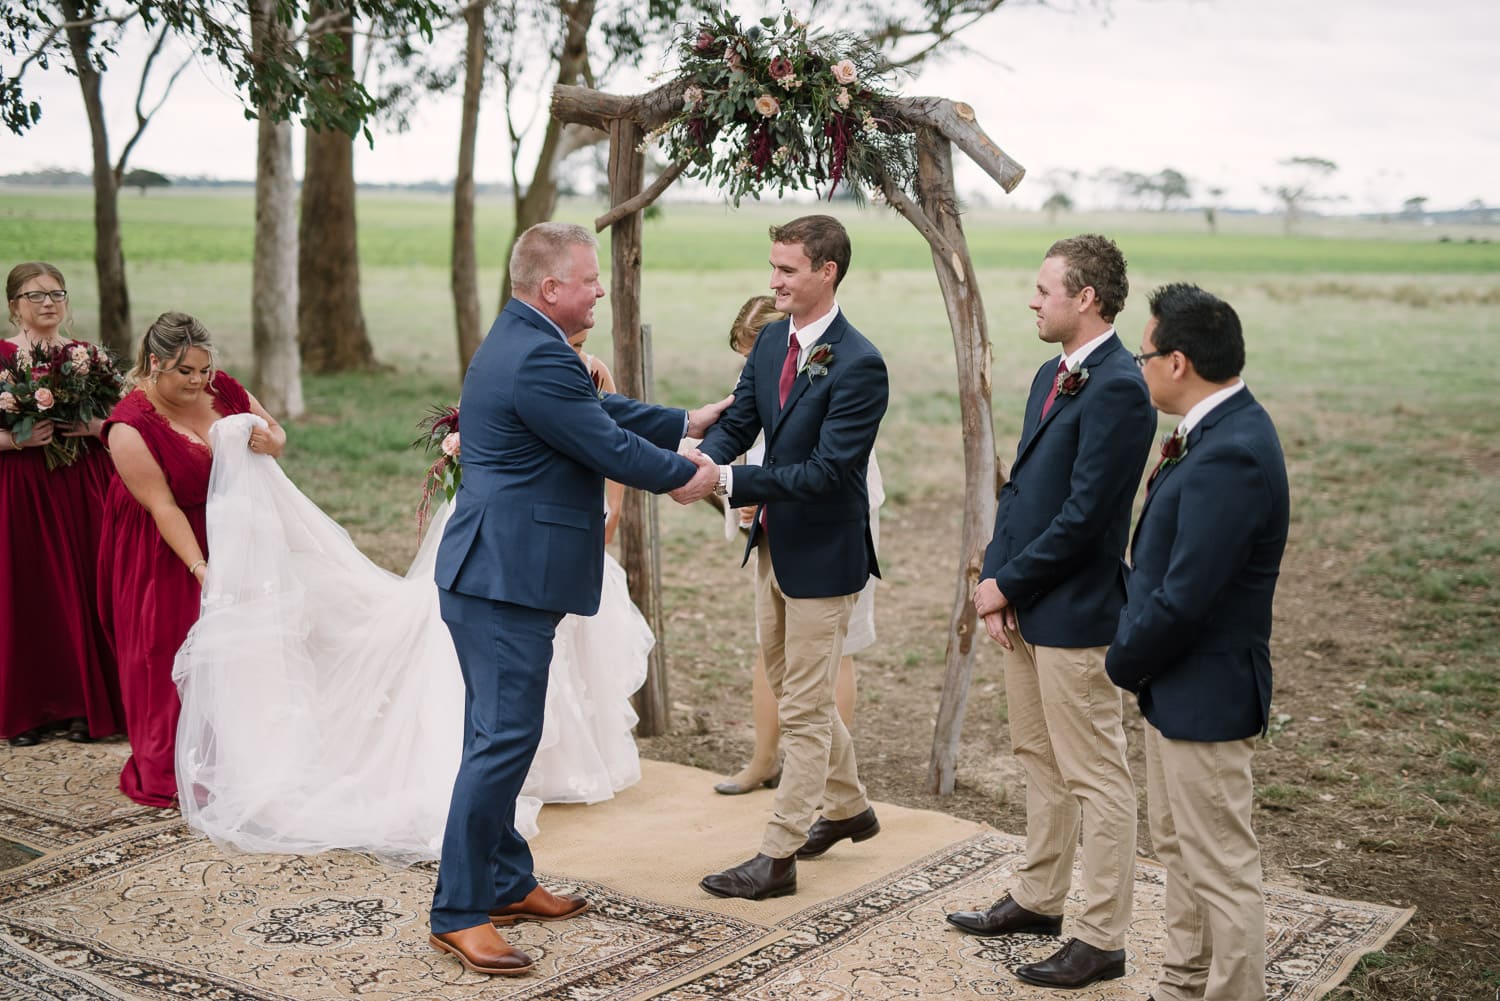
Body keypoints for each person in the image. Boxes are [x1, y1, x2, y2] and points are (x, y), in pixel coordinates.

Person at [427, 222, 727, 976]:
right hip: (501, 579)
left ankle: (505, 880)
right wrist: (687, 473)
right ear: (548, 286)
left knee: (503, 735)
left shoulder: (531, 342)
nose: (600, 290)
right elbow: (608, 448)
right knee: (501, 741)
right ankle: (459, 909)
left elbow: (595, 416)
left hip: (504, 575)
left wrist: (684, 423)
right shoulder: (534, 353)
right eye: (589, 279)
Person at [946, 234, 1155, 991]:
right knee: (1037, 758)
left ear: (1086, 297)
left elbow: (1087, 516)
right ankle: (1039, 897)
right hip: (1026, 605)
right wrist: (997, 575)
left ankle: (1101, 937)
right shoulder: (1050, 373)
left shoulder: (1122, 388)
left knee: (1096, 774)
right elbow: (1023, 489)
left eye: (1044, 289)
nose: (1032, 300)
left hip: (1078, 614)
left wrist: (1010, 586)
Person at [694, 215, 888, 901]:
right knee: (785, 678)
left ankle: (777, 854)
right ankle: (849, 804)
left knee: (804, 705)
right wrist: (700, 464)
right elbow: (741, 422)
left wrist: (729, 481)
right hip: (773, 544)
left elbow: (831, 471)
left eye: (787, 270)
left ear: (826, 271)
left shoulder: (860, 363)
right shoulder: (773, 339)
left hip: (827, 554)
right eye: (772, 267)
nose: (773, 281)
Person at [1107, 284, 1288, 1001]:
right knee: (1180, 848)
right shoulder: (1213, 429)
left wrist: (1122, 661)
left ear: (1178, 361)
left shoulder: (1233, 452)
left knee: (1220, 863)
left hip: (1207, 690)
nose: (1138, 364)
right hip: (1176, 685)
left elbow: (1188, 594)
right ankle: (1182, 983)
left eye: (1144, 353)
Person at [97, 312, 286, 808]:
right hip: (159, 547)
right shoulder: (129, 427)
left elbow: (274, 432)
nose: (199, 381)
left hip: (229, 530)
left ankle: (233, 754)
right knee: (165, 649)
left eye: (204, 370)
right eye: (186, 372)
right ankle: (168, 764)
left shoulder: (220, 388)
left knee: (236, 648)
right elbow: (161, 507)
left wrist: (274, 441)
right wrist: (203, 570)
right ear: (155, 363)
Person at [711, 294, 883, 796]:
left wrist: (745, 486)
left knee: (835, 657)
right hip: (776, 528)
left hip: (835, 528)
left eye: (751, 355)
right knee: (774, 656)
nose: (749, 368)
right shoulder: (767, 370)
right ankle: (770, 761)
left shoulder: (851, 366)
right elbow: (743, 438)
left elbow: (825, 468)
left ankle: (828, 789)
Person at [1, 262, 121, 747]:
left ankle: (84, 707)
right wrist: (16, 441)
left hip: (82, 485)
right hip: (22, 488)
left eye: (57, 293)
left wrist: (95, 427)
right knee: (31, 589)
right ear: (14, 306)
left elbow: (124, 416)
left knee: (86, 585)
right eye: (36, 295)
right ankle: (31, 709)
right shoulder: (2, 358)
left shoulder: (87, 357)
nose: (48, 302)